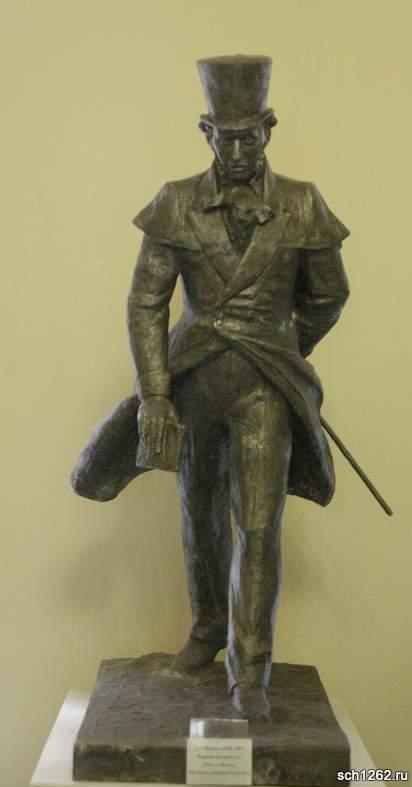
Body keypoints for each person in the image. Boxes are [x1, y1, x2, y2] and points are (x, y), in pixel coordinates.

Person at [72, 55, 350, 720]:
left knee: (257, 524)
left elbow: (328, 295)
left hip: (263, 393)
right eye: (225, 139)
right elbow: (146, 303)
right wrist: (155, 394)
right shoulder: (175, 204)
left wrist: (281, 344)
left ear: (268, 130)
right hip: (193, 384)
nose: (237, 152)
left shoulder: (302, 204)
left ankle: (249, 671)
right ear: (205, 132)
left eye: (248, 138)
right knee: (198, 516)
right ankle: (206, 629)